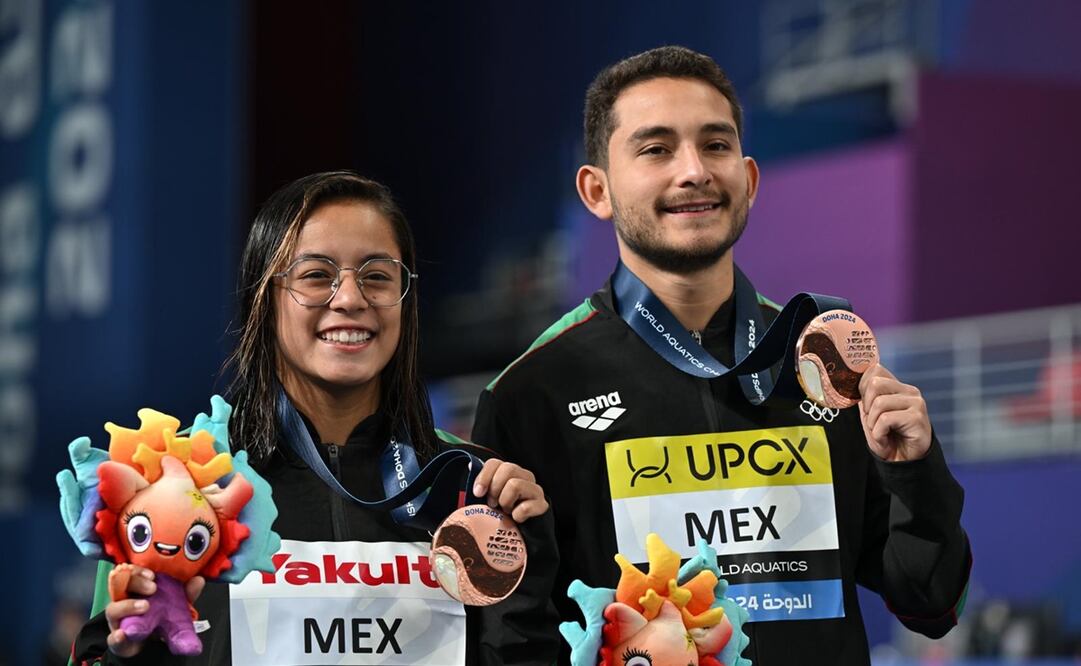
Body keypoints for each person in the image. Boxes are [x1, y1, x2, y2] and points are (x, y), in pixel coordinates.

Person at [472, 46, 971, 665]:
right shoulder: (532, 392)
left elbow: (930, 602)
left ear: (750, 179)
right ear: (596, 190)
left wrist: (915, 473)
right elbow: (516, 640)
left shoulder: (822, 364)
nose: (694, 171)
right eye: (656, 149)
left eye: (715, 145)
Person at [72, 171, 561, 665]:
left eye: (376, 276)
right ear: (265, 298)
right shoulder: (169, 485)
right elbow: (99, 652)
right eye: (316, 275)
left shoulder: (467, 486)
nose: (349, 299)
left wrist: (527, 558)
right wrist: (131, 654)